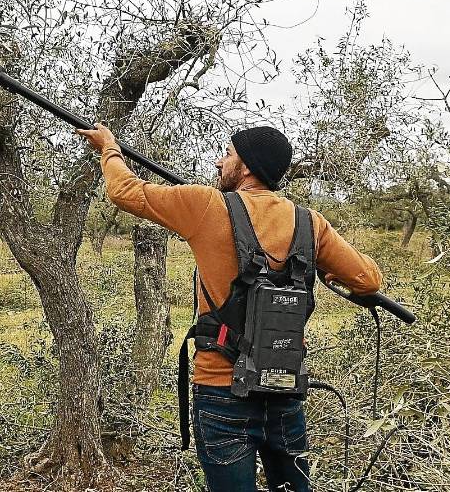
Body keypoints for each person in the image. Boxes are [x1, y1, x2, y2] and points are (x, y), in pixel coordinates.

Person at [76, 123, 382, 492]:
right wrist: (329, 272)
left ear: (248, 167)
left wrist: (108, 147)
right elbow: (368, 280)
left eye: (228, 154)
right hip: (284, 391)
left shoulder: (205, 204)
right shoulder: (311, 223)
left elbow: (124, 190)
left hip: (222, 392)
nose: (220, 162)